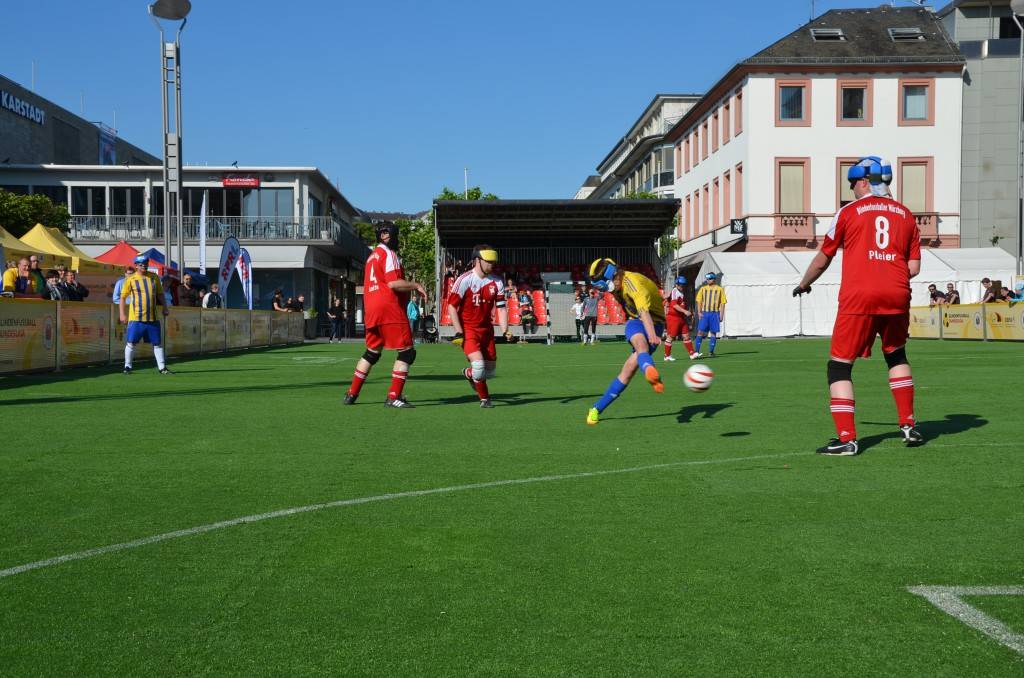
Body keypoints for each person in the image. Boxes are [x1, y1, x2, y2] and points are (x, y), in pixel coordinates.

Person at [793, 156, 923, 456]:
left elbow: (824, 256)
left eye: (852, 183)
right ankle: (908, 425)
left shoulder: (848, 212)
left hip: (859, 297)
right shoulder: (906, 215)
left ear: (864, 181)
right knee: (896, 354)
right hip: (897, 294)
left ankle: (848, 438)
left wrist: (804, 283)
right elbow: (913, 267)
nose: (851, 189)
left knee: (839, 365)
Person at [343, 221, 425, 407]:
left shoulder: (371, 257)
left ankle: (351, 394)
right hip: (389, 309)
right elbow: (394, 283)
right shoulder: (389, 254)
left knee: (372, 352)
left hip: (371, 309)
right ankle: (394, 396)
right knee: (407, 352)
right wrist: (416, 285)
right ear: (392, 235)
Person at [585, 258, 666, 425]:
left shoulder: (634, 284)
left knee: (628, 371)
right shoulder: (615, 283)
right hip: (634, 321)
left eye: (606, 285)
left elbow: (644, 311)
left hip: (654, 323)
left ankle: (597, 408)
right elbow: (638, 314)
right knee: (640, 345)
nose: (606, 290)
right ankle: (650, 371)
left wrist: (652, 334)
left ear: (614, 275)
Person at [447, 245, 510, 408]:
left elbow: (501, 308)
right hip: (468, 330)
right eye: (488, 261)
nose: (491, 264)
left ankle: (469, 374)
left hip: (487, 331)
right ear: (477, 260)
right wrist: (458, 332)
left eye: (493, 261)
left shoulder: (497, 282)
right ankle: (485, 399)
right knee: (479, 366)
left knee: (489, 372)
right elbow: (451, 306)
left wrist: (505, 330)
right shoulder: (464, 279)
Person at [119, 254, 171, 375]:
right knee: (131, 342)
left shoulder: (154, 277)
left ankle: (162, 368)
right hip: (136, 318)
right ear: (136, 266)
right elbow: (122, 298)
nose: (144, 266)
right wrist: (122, 314)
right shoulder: (130, 279)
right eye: (141, 264)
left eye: (146, 264)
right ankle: (127, 366)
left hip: (153, 317)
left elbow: (160, 294)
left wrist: (165, 307)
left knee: (157, 343)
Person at [663, 276, 697, 361]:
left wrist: (685, 312)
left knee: (686, 335)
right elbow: (674, 305)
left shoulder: (681, 292)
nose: (682, 286)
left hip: (681, 318)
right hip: (673, 318)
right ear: (677, 284)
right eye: (680, 285)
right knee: (671, 337)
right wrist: (685, 311)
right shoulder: (675, 291)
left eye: (683, 285)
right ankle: (667, 356)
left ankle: (692, 354)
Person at [694, 273, 726, 358]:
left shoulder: (720, 289)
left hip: (715, 313)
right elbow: (699, 301)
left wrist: (721, 314)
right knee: (700, 332)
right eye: (707, 278)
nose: (708, 280)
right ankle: (696, 352)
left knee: (713, 333)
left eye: (710, 278)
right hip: (705, 313)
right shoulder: (703, 289)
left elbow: (723, 303)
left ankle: (711, 352)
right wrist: (699, 312)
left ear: (714, 279)